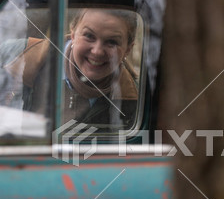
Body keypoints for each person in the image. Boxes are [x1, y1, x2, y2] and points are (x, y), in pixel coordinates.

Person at [0, 7, 139, 130]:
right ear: (73, 34)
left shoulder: (139, 104)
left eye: (112, 42)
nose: (97, 51)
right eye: (89, 36)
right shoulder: (12, 56)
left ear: (128, 49)